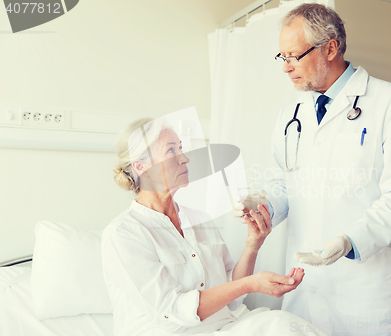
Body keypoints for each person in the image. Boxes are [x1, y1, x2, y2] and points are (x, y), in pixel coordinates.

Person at [264, 4, 391, 336]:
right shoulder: (289, 114)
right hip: (303, 284)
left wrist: (350, 240)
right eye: (282, 57)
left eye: (293, 56)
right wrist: (262, 206)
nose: (286, 68)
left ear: (330, 48)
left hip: (363, 287)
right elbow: (283, 182)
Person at [102, 116, 326, 336]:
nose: (185, 158)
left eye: (181, 148)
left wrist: (253, 245)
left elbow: (231, 293)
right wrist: (251, 284)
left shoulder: (198, 219)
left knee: (291, 327)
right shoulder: (123, 235)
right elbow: (171, 314)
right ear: (141, 166)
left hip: (228, 324)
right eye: (171, 150)